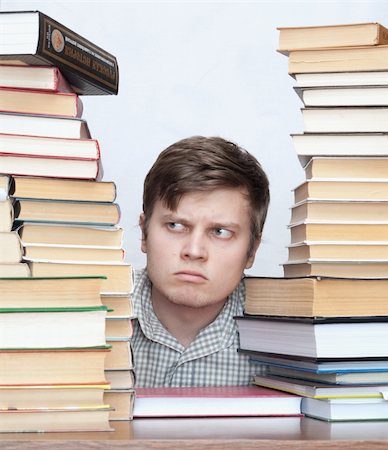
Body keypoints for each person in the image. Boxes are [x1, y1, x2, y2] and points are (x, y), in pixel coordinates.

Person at [132, 136, 270, 387]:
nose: (194, 251)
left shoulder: (293, 338)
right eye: (175, 225)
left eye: (220, 232)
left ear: (251, 251)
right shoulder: (88, 316)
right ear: (144, 233)